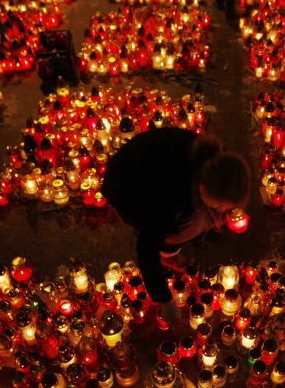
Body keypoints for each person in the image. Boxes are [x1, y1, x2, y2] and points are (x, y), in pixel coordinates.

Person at [102, 128, 251, 325]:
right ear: (202, 188)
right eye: (220, 205)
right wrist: (165, 299)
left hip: (147, 167)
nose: (223, 210)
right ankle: (168, 253)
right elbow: (146, 247)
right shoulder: (170, 195)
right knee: (182, 226)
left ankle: (172, 247)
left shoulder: (216, 162)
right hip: (125, 185)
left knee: (198, 218)